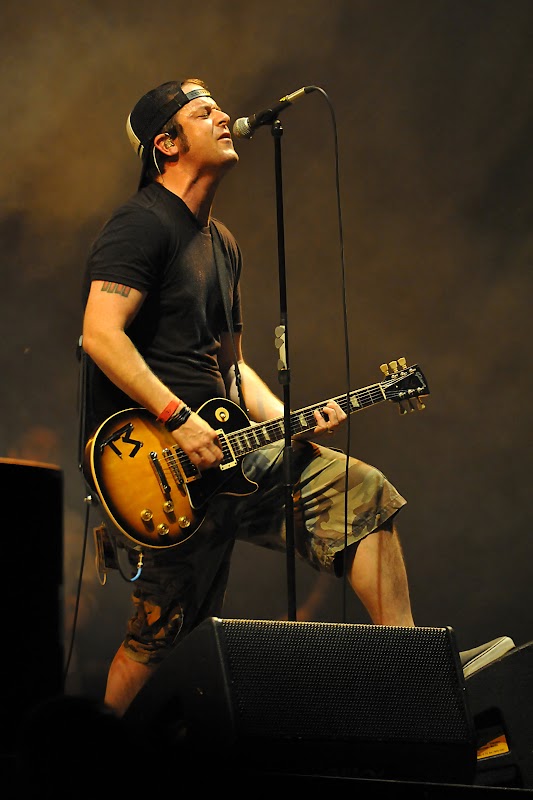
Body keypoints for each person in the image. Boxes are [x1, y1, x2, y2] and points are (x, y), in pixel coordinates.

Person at [81, 77, 415, 718]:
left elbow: (232, 367)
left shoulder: (223, 243)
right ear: (166, 143)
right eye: (203, 112)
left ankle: (409, 678)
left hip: (230, 452)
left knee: (360, 491)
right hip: (156, 466)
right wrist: (178, 419)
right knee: (159, 638)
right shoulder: (140, 223)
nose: (224, 116)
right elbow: (100, 334)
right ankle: (99, 757)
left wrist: (289, 421)